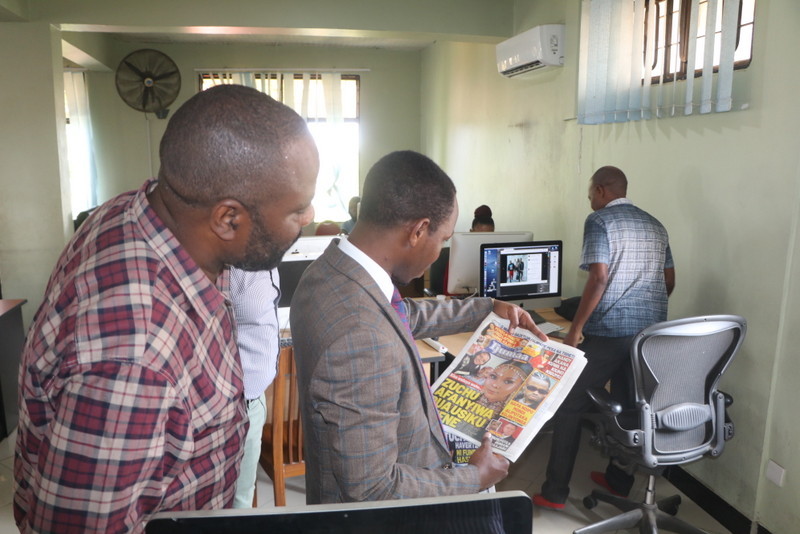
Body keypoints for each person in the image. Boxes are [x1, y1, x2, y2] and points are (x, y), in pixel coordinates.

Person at [14, 84, 318, 533]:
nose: (309, 217)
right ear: (228, 219)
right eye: (297, 209)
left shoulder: (136, 212)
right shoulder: (135, 361)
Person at [290, 150, 547, 504]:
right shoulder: (361, 335)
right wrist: (474, 477)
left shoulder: (327, 271)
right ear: (419, 230)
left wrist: (487, 308)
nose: (439, 251)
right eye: (442, 240)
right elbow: (373, 487)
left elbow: (400, 315)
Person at [534, 165, 675, 510]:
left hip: (610, 331)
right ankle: (618, 481)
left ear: (600, 190)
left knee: (568, 404)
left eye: (589, 194)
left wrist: (575, 329)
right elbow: (669, 281)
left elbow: (599, 278)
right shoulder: (656, 225)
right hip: (648, 335)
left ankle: (554, 493)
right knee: (629, 404)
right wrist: (644, 309)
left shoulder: (599, 221)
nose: (589, 200)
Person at [229, 267, 281, 508]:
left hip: (255, 398)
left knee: (243, 497)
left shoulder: (268, 262)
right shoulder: (229, 265)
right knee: (233, 501)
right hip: (231, 401)